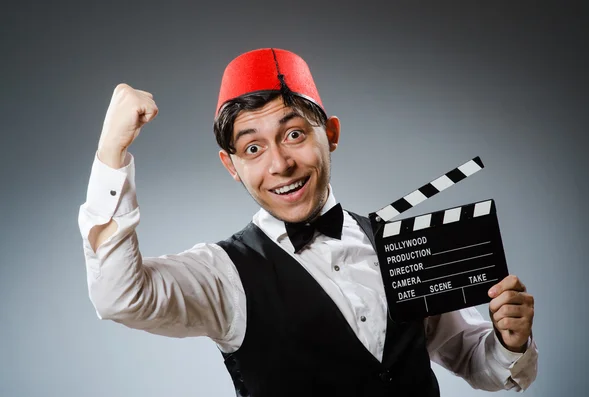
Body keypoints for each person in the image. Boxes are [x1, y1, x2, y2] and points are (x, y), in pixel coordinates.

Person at [78, 48, 538, 396]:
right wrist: (111, 153)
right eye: (253, 148)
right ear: (231, 165)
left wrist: (509, 340)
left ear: (330, 135)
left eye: (294, 134)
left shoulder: (400, 246)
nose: (279, 164)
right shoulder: (222, 275)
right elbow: (120, 297)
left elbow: (477, 361)